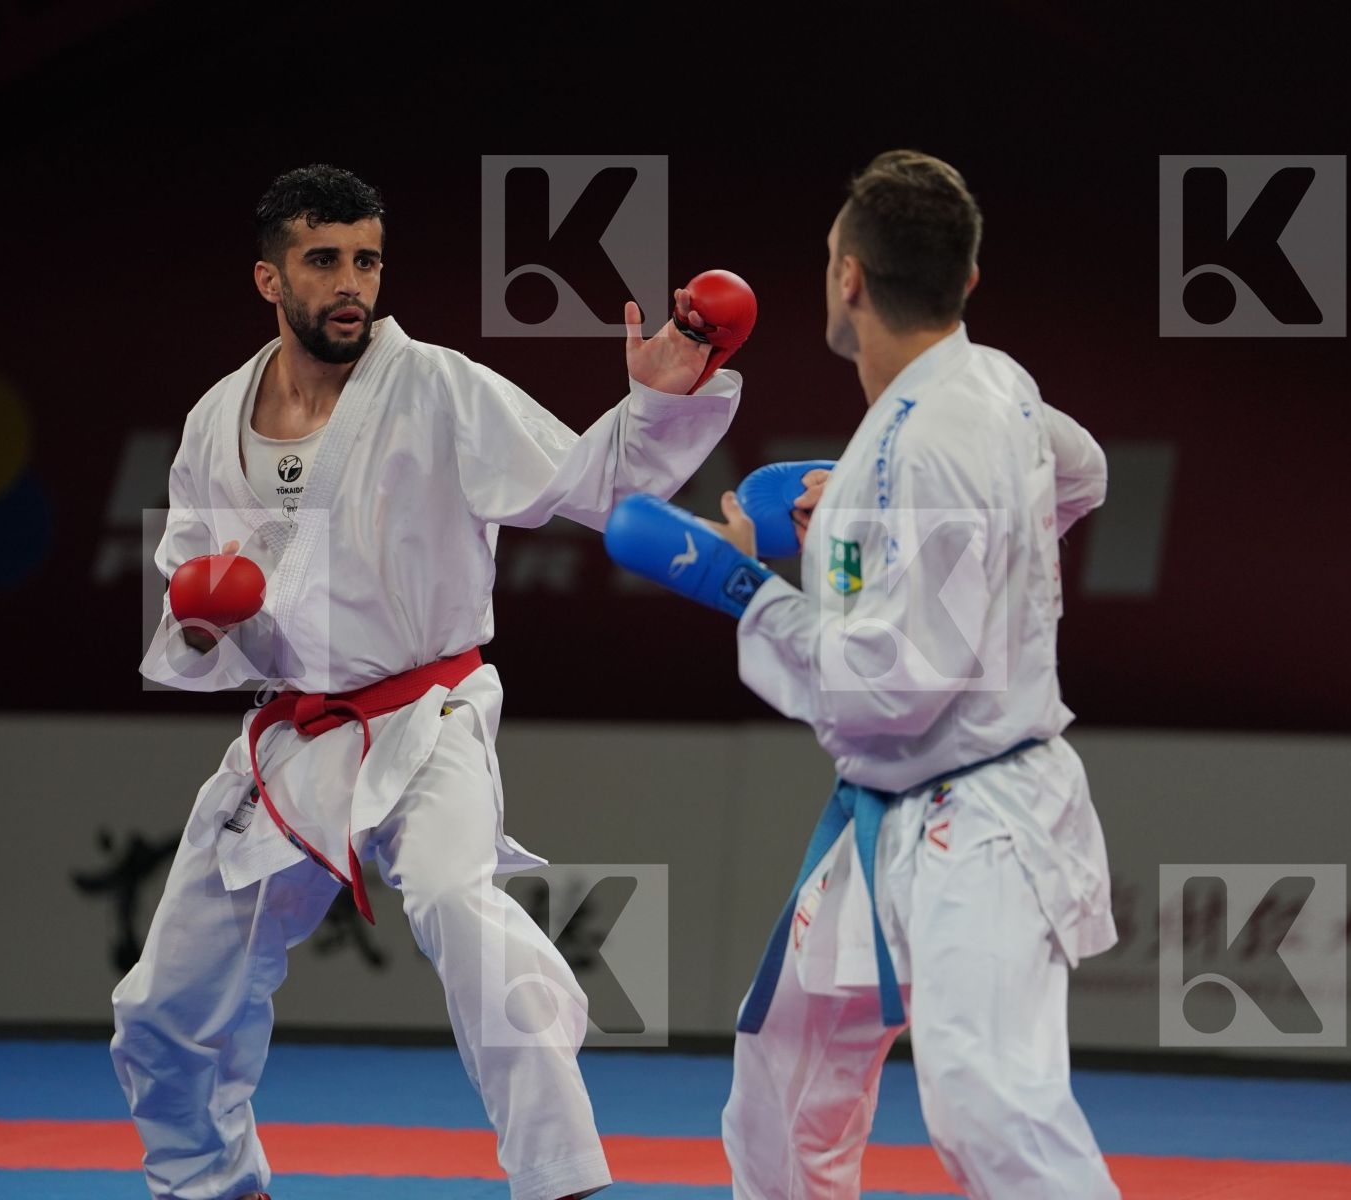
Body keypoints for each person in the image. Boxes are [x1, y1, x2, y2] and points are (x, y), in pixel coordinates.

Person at [111, 163, 739, 1200]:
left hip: (425, 717)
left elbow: (589, 486)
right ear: (270, 279)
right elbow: (188, 611)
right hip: (290, 743)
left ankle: (561, 1177)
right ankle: (211, 1182)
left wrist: (657, 399)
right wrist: (199, 609)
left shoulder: (437, 386)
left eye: (366, 259)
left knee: (456, 899)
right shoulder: (211, 423)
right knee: (160, 1008)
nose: (352, 281)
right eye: (324, 261)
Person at [604, 150, 1119, 1197]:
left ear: (847, 279)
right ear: (965, 281)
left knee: (990, 1110)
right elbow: (1084, 473)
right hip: (895, 809)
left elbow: (892, 685)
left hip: (977, 816)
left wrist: (744, 589)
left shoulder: (939, 434)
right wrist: (868, 521)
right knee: (780, 1085)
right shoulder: (988, 387)